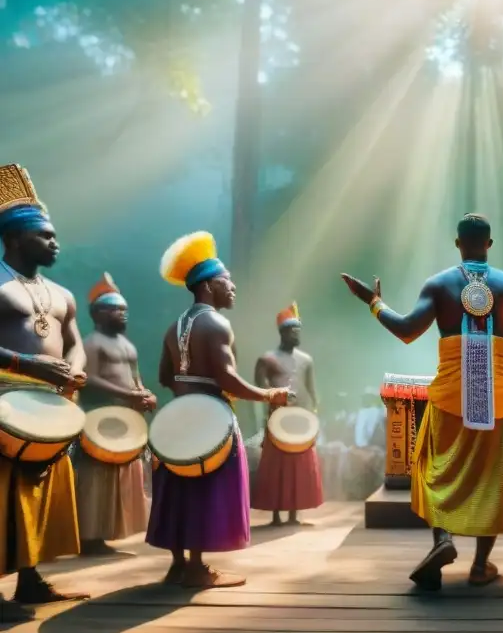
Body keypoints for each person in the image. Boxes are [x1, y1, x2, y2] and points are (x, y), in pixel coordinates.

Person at [340, 213, 503, 590]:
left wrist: (374, 301)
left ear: (458, 244)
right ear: (489, 245)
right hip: (497, 397)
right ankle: (480, 566)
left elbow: (407, 330)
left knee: (434, 466)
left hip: (451, 394)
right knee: (492, 475)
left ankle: (443, 541)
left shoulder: (439, 284)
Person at [147, 231, 290, 588]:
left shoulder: (173, 326)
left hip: (177, 414)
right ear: (209, 285)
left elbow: (165, 375)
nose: (233, 288)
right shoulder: (216, 323)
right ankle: (197, 568)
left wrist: (186, 394)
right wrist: (270, 395)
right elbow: (227, 378)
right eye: (228, 281)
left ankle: (178, 565)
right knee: (204, 484)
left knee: (178, 485)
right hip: (210, 415)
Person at [0, 163, 88, 619]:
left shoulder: (62, 294)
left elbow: (75, 344)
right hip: (4, 398)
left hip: (51, 403)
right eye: (46, 236)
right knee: (1, 491)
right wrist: (26, 362)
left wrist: (73, 372)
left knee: (36, 488)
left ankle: (30, 579)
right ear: (14, 239)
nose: (55, 243)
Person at [75, 272, 155, 556]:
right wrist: (129, 395)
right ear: (98, 314)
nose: (123, 314)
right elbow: (88, 378)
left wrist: (144, 394)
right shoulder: (91, 343)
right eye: (115, 309)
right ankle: (89, 538)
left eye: (125, 309)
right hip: (99, 416)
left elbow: (137, 379)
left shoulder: (128, 346)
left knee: (119, 477)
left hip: (126, 418)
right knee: (96, 479)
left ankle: (106, 532)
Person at [252, 302, 324, 527]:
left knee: (298, 466)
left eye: (298, 330)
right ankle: (275, 514)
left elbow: (313, 391)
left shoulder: (306, 360)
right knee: (277, 467)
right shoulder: (267, 359)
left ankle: (294, 513)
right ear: (282, 332)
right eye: (292, 331)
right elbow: (259, 391)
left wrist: (314, 414)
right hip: (277, 420)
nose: (296, 334)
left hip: (301, 422)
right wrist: (265, 415)